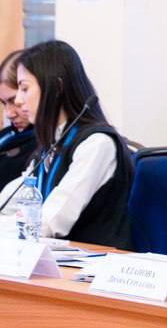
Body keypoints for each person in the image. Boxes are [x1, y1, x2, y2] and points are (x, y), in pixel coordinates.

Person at [0, 41, 133, 246]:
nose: (18, 100)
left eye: (24, 89)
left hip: (96, 261)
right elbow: (9, 203)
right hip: (57, 259)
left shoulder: (97, 144)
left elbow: (49, 222)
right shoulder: (50, 146)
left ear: (57, 88)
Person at [0, 50, 37, 185]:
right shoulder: (7, 134)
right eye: (4, 103)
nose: (9, 114)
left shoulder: (46, 143)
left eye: (14, 100)